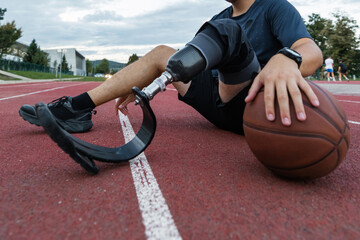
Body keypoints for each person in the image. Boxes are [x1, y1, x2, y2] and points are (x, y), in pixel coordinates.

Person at [19, 0, 322, 137]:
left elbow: (311, 51)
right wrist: (131, 82)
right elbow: (187, 59)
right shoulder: (218, 16)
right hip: (215, 97)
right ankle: (77, 109)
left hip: (249, 100)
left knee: (229, 32)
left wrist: (287, 59)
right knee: (164, 53)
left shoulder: (274, 6)